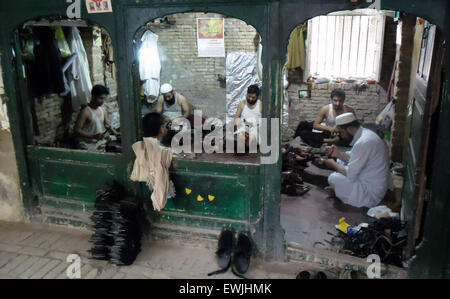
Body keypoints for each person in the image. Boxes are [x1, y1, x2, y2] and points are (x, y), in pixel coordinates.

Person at [320, 112, 390, 208]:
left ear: (350, 129)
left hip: (370, 195)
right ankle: (340, 192)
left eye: (341, 133)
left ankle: (343, 193)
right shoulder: (366, 134)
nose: (341, 136)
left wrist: (331, 164)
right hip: (370, 182)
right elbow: (354, 157)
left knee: (334, 178)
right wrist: (338, 154)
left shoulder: (364, 142)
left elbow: (350, 174)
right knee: (341, 162)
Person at [74, 85, 119, 151]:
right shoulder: (85, 112)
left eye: (104, 98)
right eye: (100, 98)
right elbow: (77, 130)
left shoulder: (102, 108)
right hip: (87, 144)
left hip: (99, 141)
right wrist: (93, 136)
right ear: (93, 96)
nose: (103, 101)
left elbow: (107, 124)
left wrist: (115, 133)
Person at [234, 84, 262, 149]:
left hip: (256, 128)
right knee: (241, 137)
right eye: (249, 96)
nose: (250, 99)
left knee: (250, 140)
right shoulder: (242, 104)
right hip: (244, 126)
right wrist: (239, 122)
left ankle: (248, 142)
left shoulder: (260, 104)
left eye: (253, 97)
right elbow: (236, 117)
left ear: (257, 96)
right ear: (247, 94)